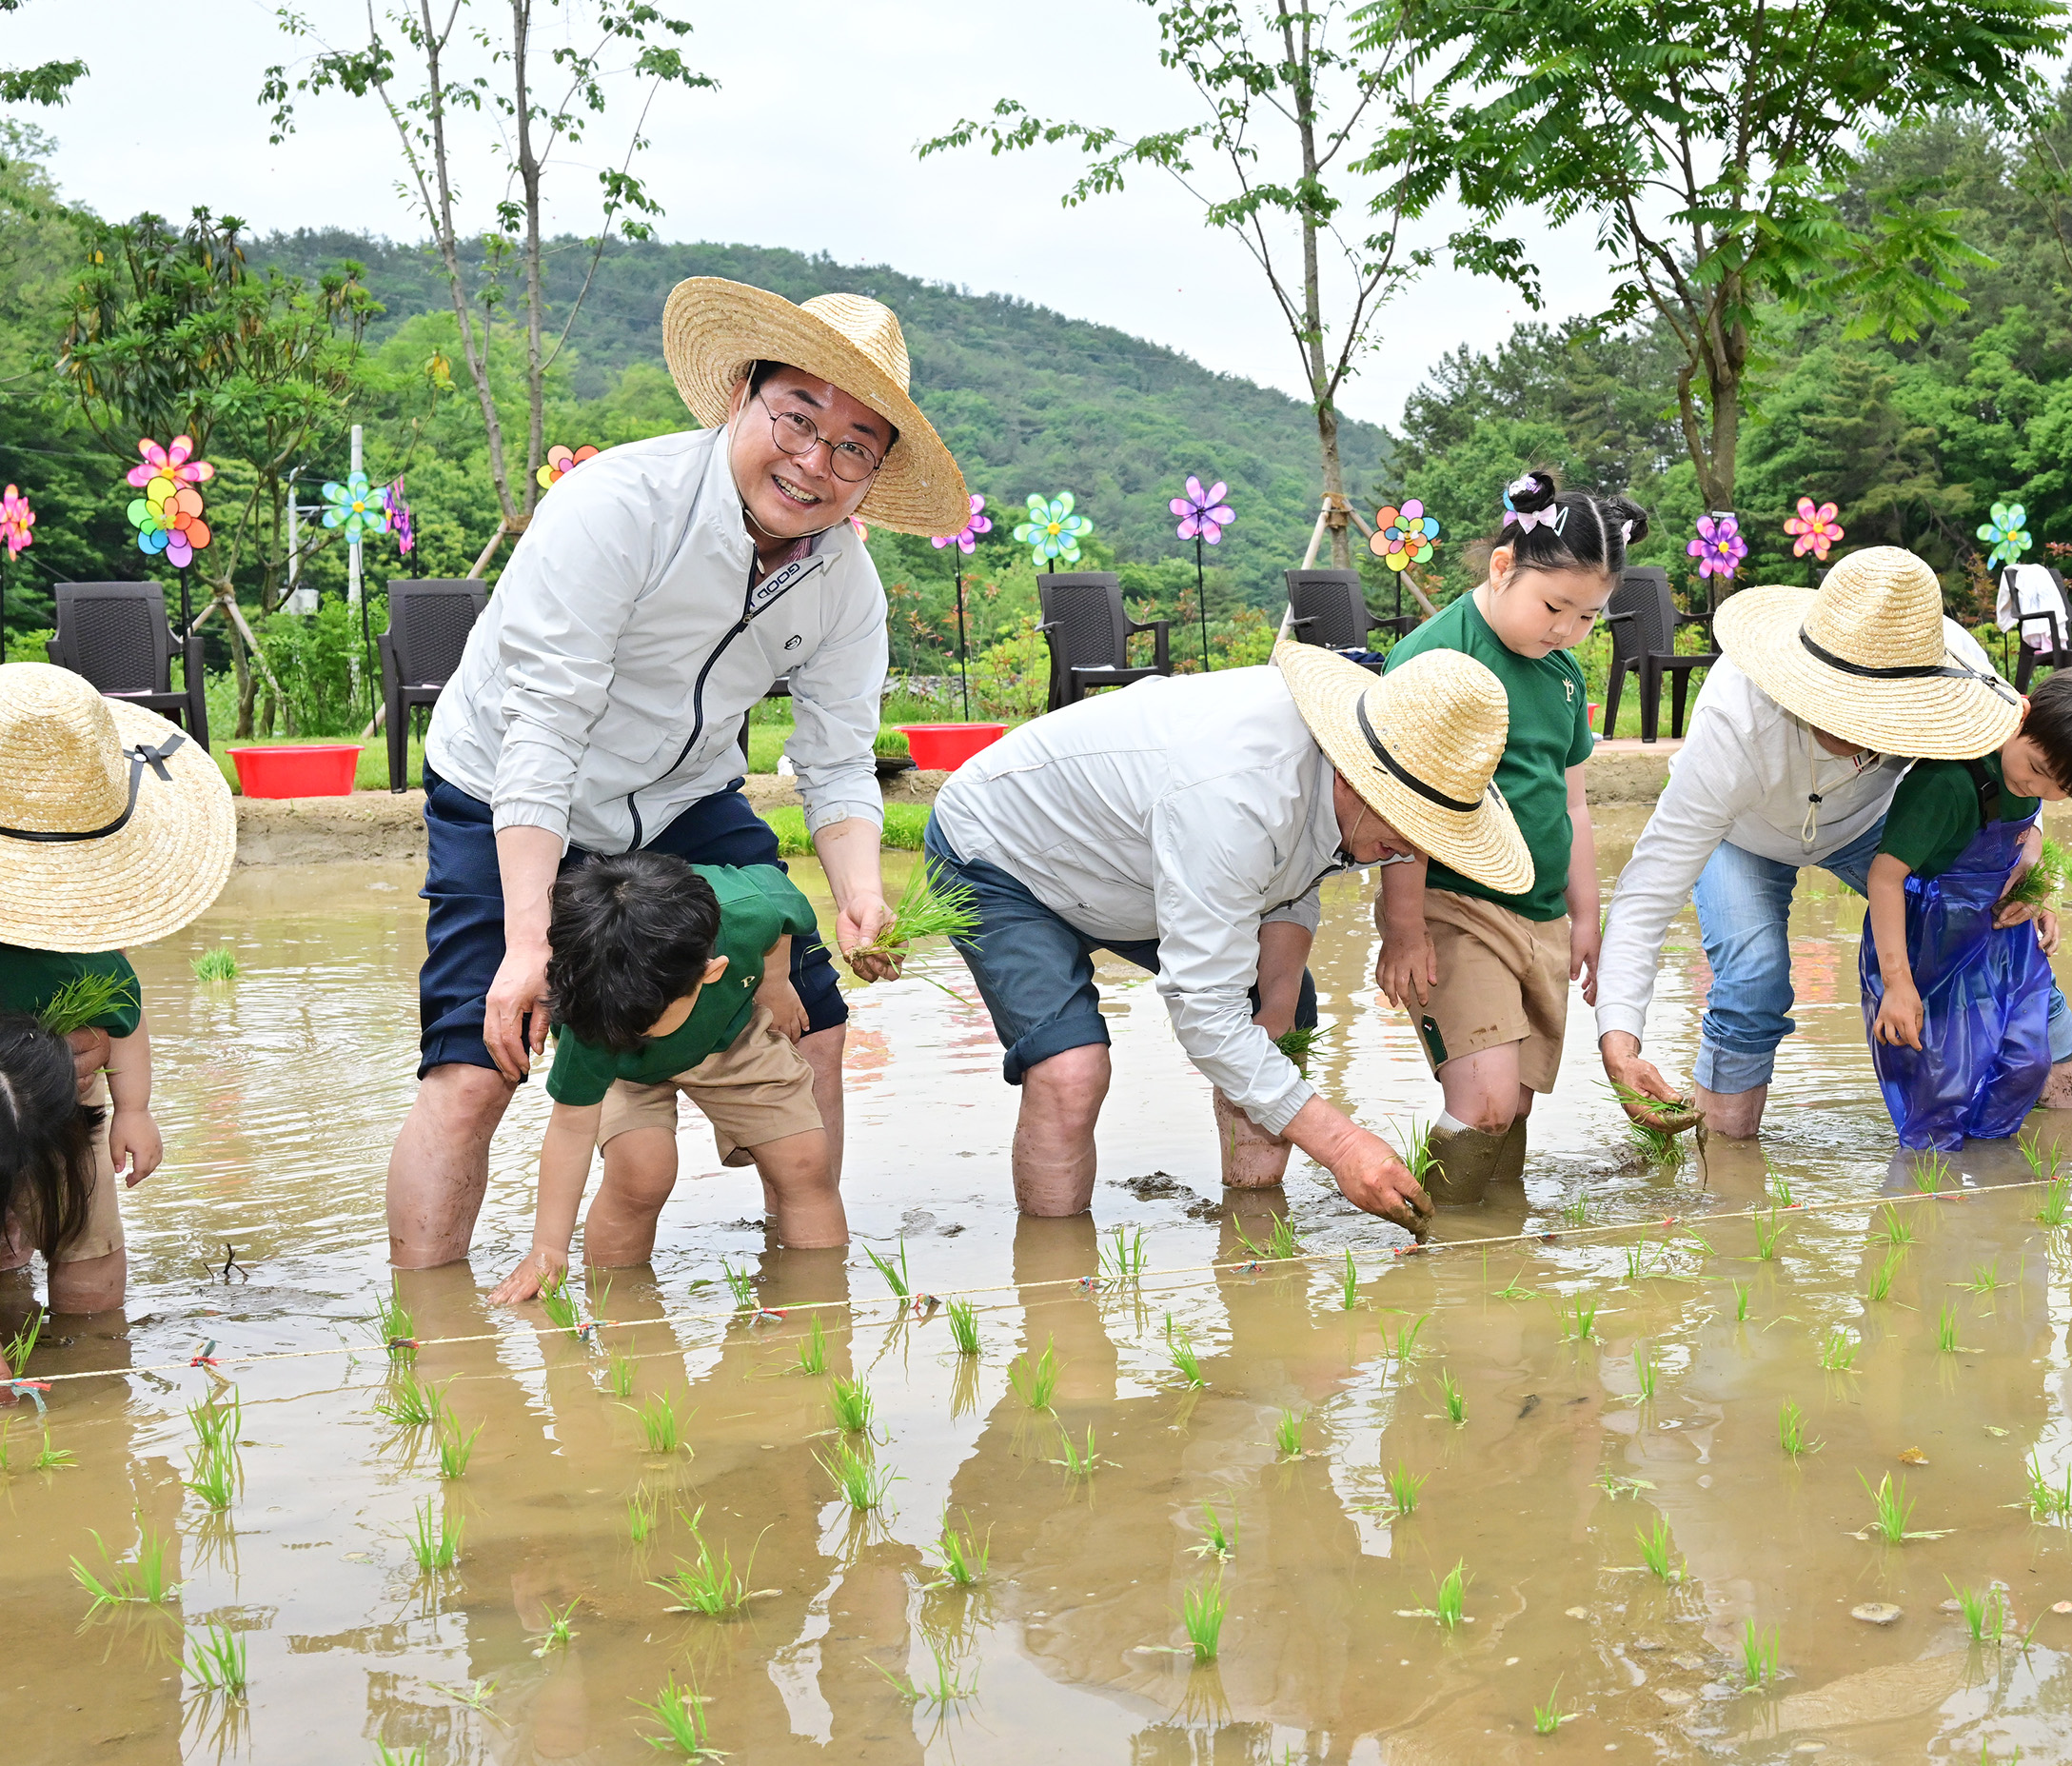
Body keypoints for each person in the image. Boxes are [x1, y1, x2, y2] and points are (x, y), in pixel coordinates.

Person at [385, 279, 974, 1270]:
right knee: (480, 1059)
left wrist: (861, 893)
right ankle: (430, 1329)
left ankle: (802, 1290)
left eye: (853, 446)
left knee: (815, 1022)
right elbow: (544, 724)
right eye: (798, 416)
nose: (813, 461)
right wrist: (529, 940)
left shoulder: (844, 584)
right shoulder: (618, 507)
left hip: (682, 799)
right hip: (512, 785)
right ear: (742, 392)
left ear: (875, 474)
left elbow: (835, 760)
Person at [924, 643, 1530, 1227]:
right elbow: (1204, 1012)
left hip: (1137, 866)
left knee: (1281, 1018)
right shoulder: (1234, 796)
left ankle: (1252, 1231)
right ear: (1353, 779)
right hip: (1007, 854)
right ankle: (1058, 1276)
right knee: (1070, 1070)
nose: (1411, 853)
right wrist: (1343, 1145)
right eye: (1407, 831)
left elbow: (1294, 875)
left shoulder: (1361, 770)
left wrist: (1280, 997)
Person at [1597, 546, 2027, 1141]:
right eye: (1847, 711)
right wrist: (1619, 1036)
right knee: (1753, 980)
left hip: (1872, 823)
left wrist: (2038, 875)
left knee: (1985, 922)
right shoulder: (1733, 727)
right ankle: (1725, 1169)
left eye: (1887, 718)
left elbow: (2028, 774)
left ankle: (2044, 1100)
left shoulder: (1958, 673)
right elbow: (1648, 891)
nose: (1864, 736)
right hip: (1744, 832)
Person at [1374, 470, 1646, 1204]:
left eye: (1588, 618)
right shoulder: (1437, 658)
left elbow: (1574, 805)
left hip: (1540, 914)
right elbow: (1399, 806)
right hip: (1454, 905)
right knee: (1486, 1102)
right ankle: (1430, 1233)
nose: (1566, 630)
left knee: (1515, 1104)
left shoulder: (1558, 675)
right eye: (1553, 607)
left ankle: (1497, 1253)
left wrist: (1585, 916)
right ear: (1503, 567)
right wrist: (1403, 927)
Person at [488, 854, 846, 1305]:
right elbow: (570, 1130)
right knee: (642, 1173)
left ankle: (819, 1305)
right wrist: (547, 1249)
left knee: (805, 1162)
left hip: (728, 1036)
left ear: (710, 972)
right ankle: (622, 1317)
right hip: (622, 1068)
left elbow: (786, 905)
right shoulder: (596, 1016)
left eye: (646, 1024)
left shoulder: (749, 909)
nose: (639, 1033)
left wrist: (774, 980)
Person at [0, 665, 235, 1313]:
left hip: (71, 1125)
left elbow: (124, 1030)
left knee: (89, 1252)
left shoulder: (91, 952)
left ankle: (93, 1355)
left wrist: (133, 1110)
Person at [1862, 667, 2072, 1145]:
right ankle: (1929, 1179)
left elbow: (2028, 829)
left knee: (2026, 1061)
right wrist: (1897, 984)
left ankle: (1990, 1170)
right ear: (2019, 717)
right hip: (1929, 937)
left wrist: (2038, 884)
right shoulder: (1947, 785)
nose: (2044, 790)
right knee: (1941, 1076)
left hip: (2000, 939)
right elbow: (1885, 878)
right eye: (2038, 769)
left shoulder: (2031, 779)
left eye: (2065, 788)